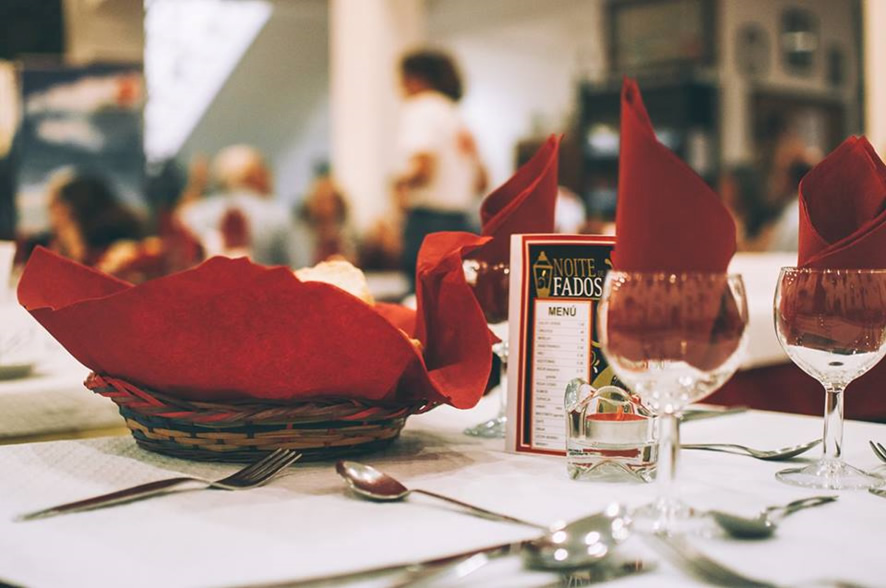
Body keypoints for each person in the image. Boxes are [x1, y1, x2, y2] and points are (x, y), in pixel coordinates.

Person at [394, 49, 487, 284]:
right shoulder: (456, 116)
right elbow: (481, 182)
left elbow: (424, 169)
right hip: (463, 222)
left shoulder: (421, 108)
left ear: (416, 79)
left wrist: (398, 184)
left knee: (422, 295)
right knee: (457, 294)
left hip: (429, 222)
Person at [176, 145, 299, 267]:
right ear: (255, 176)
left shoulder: (190, 216)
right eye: (264, 172)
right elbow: (298, 266)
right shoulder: (277, 214)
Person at [294, 166, 358, 265]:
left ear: (338, 203)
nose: (323, 206)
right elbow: (299, 263)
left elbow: (357, 261)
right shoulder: (300, 234)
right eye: (319, 200)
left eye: (328, 199)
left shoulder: (350, 233)